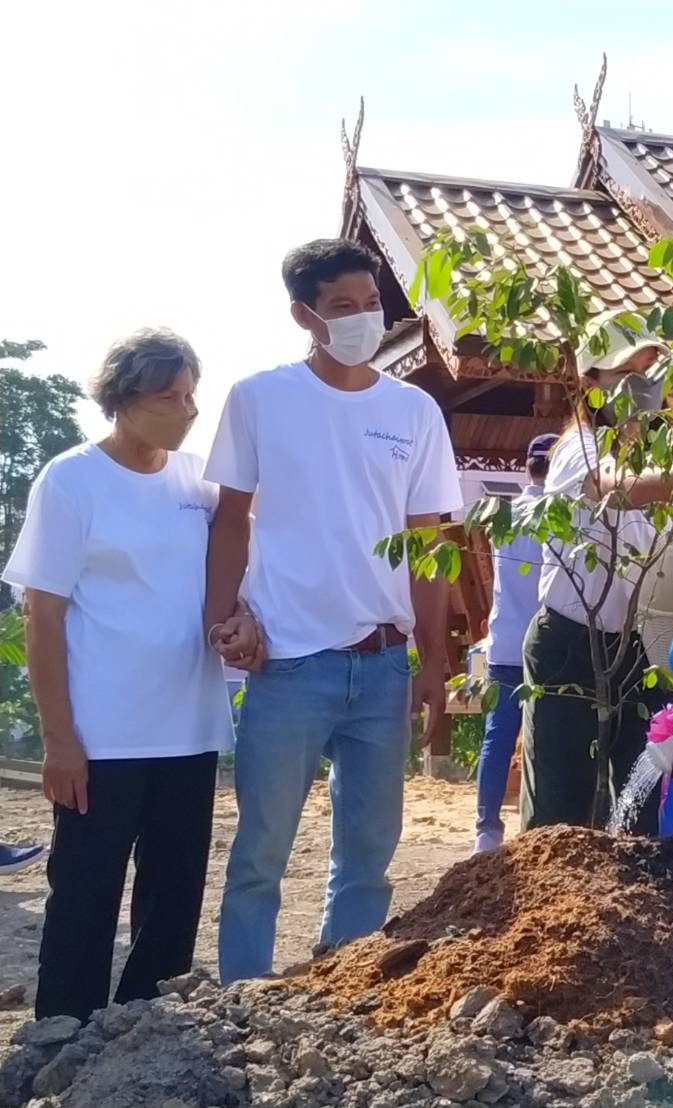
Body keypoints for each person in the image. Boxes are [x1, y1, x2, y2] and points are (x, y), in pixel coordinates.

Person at [205, 239, 462, 983]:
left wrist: (434, 666)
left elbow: (428, 545)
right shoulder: (260, 398)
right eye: (341, 307)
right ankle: (242, 996)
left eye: (369, 304)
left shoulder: (412, 411)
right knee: (260, 851)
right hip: (287, 662)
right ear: (303, 314)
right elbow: (229, 520)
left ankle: (339, 986)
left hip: (382, 664)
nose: (360, 319)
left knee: (370, 854)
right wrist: (222, 616)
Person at [2, 329, 240, 1020]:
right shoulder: (72, 479)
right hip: (102, 732)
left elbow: (228, 581)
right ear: (122, 399)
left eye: (191, 394)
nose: (185, 408)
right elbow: (42, 617)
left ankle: (147, 1023)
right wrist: (59, 739)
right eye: (169, 395)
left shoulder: (197, 481)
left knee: (173, 890)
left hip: (188, 725)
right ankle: (65, 1028)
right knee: (85, 887)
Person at [519, 312, 673, 831]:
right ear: (591, 382)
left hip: (641, 650)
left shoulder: (665, 451)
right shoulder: (579, 449)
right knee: (562, 814)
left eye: (651, 374)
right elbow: (610, 484)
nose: (644, 389)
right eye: (628, 376)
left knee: (638, 813)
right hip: (572, 645)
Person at [473, 433, 556, 853]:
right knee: (548, 734)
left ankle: (486, 829)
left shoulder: (501, 515)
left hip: (504, 638)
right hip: (545, 641)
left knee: (498, 734)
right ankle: (538, 823)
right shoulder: (562, 513)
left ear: (527, 467)